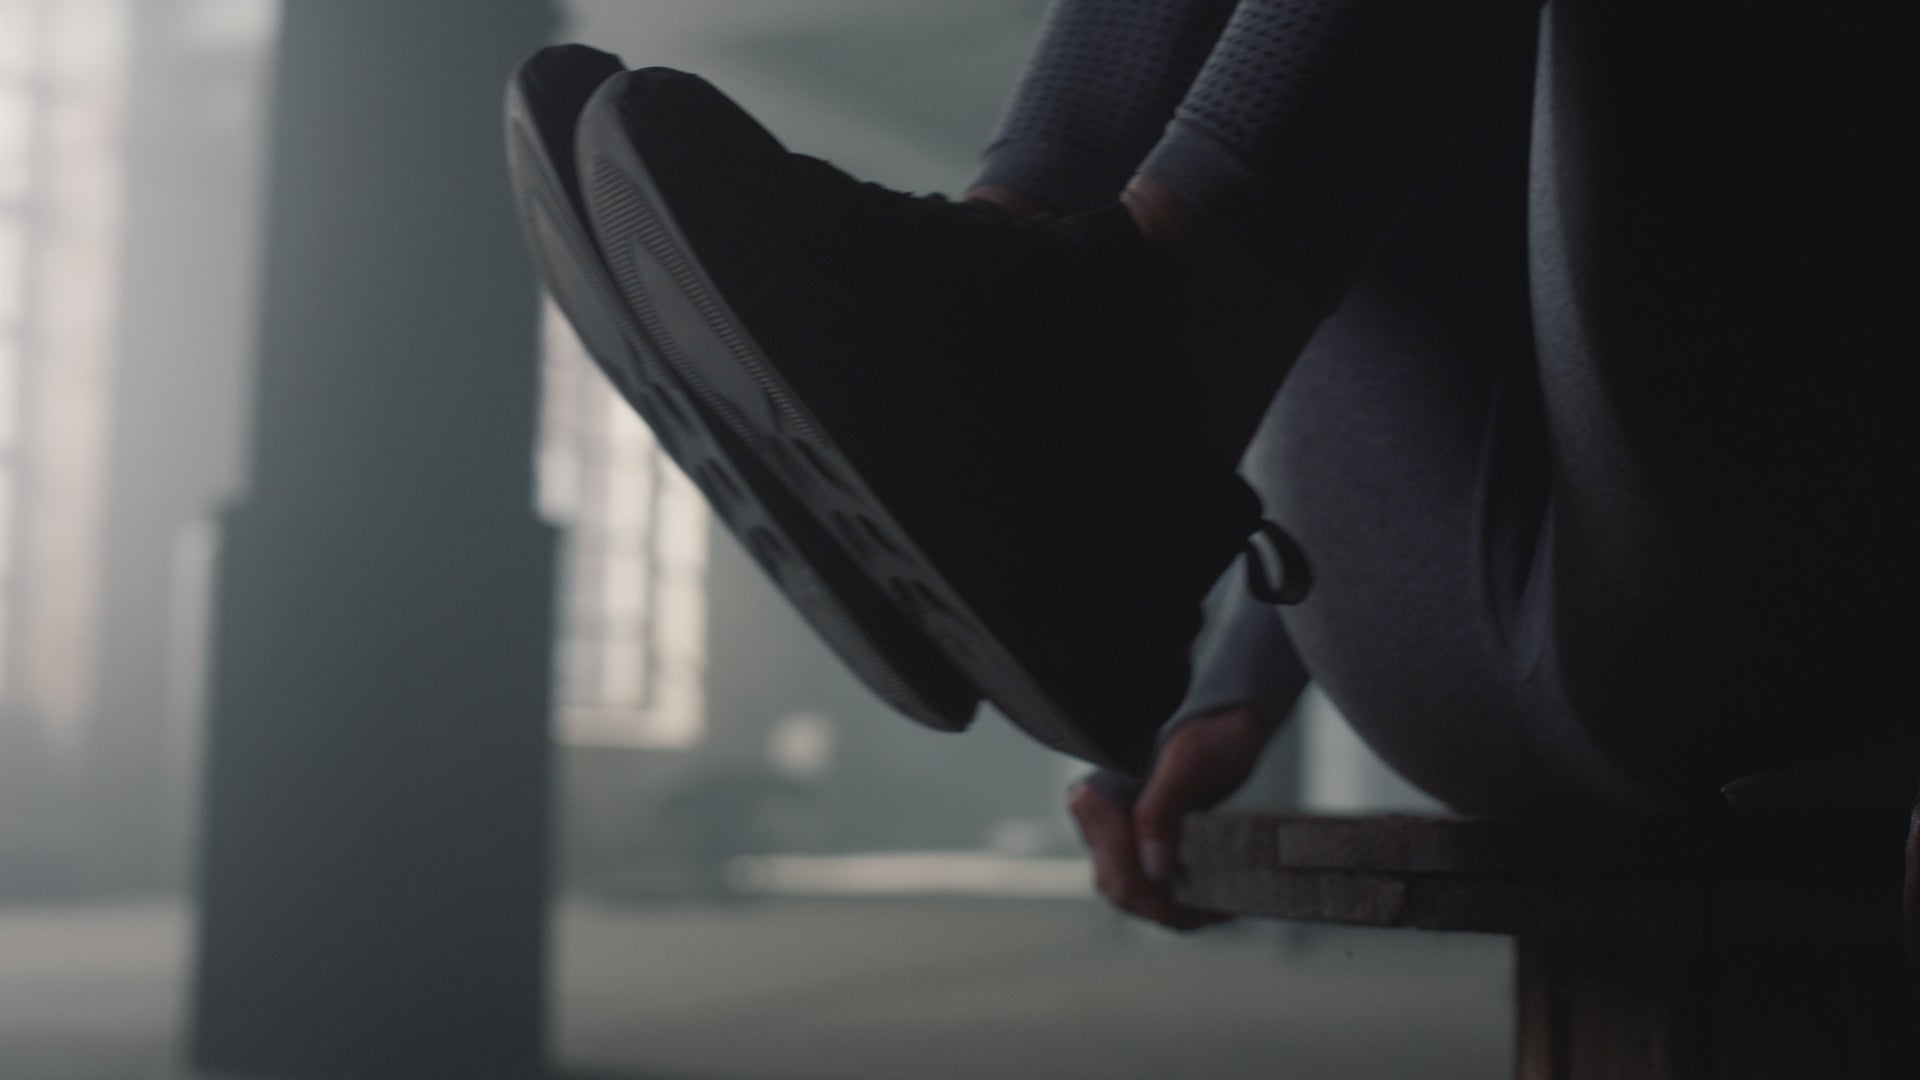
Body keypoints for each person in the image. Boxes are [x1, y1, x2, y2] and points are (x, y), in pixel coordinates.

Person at [506, 2, 1909, 944]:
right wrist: (1233, 688)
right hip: (1617, 614)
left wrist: (1237, 672)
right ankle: (1034, 315)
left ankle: (1068, 408)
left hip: (1699, 640)